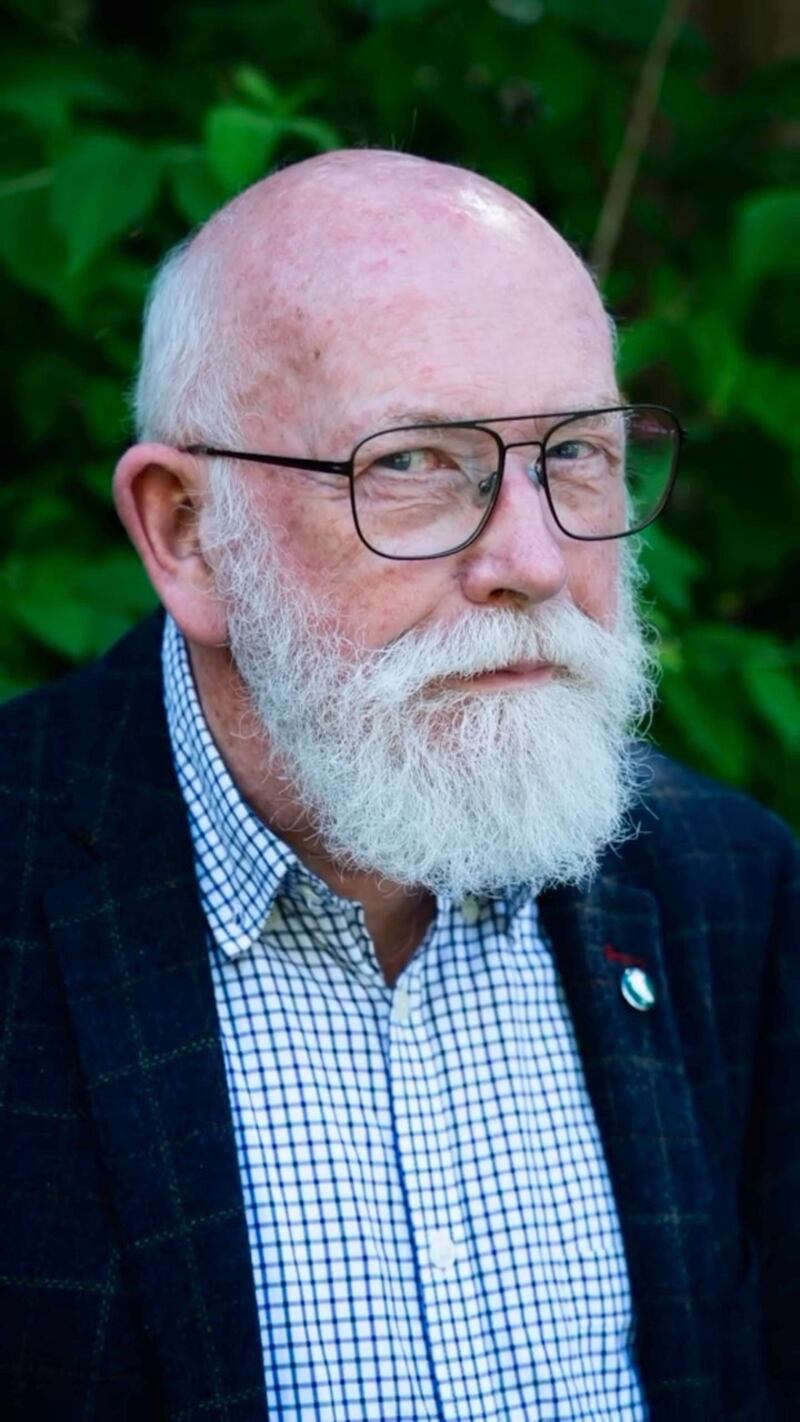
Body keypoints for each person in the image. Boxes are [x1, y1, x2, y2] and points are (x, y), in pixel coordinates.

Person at [0, 150, 796, 1422]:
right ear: (184, 532)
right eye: (416, 463)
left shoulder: (726, 889)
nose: (532, 561)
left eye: (577, 455)